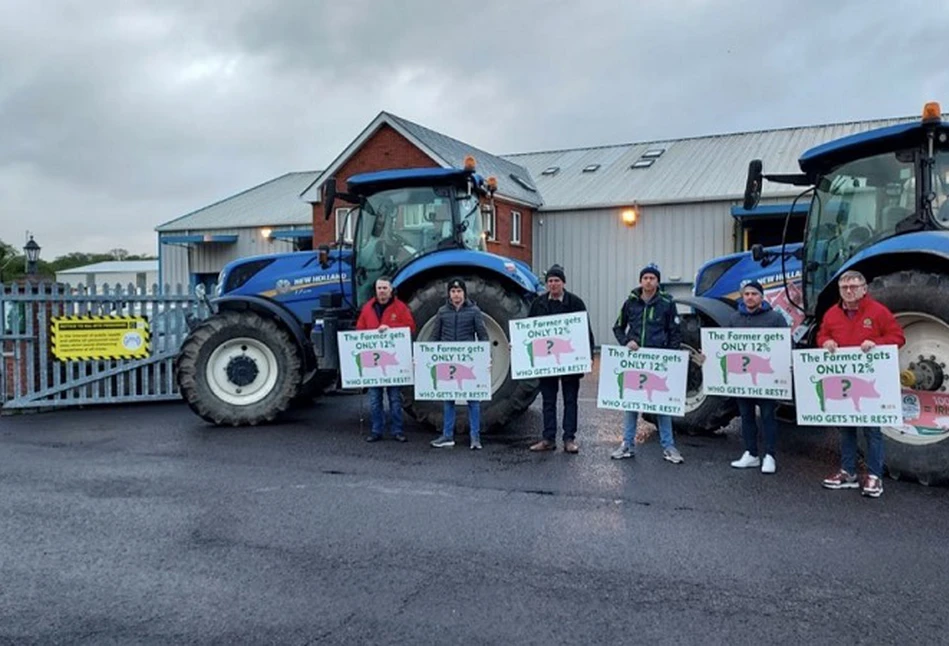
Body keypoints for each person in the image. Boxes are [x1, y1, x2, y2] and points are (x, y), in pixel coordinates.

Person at [818, 270, 905, 498]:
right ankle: (848, 472)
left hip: (867, 382)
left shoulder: (878, 312)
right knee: (846, 428)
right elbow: (822, 335)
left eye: (854, 286)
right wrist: (825, 341)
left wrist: (877, 342)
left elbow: (898, 337)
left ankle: (875, 476)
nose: (849, 291)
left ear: (864, 289)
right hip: (845, 383)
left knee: (872, 431)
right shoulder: (832, 314)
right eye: (844, 287)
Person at [610, 263, 684, 464]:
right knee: (631, 404)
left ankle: (669, 446)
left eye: (652, 278)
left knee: (662, 406)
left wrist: (669, 357)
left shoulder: (667, 303)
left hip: (657, 363)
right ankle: (627, 444)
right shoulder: (630, 303)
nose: (649, 281)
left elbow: (675, 332)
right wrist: (627, 342)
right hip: (635, 362)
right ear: (640, 281)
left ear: (658, 281)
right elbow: (618, 327)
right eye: (645, 278)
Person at [527, 264, 595, 454]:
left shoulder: (576, 303)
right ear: (547, 284)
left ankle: (569, 438)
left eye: (557, 280)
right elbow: (528, 331)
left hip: (569, 361)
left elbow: (585, 331)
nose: (553, 284)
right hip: (546, 363)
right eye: (550, 281)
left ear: (563, 282)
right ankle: (548, 438)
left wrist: (588, 355)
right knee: (548, 401)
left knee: (570, 400)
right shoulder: (538, 304)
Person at [726, 280, 790, 474]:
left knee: (768, 416)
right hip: (743, 379)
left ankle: (770, 455)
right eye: (746, 294)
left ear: (762, 297)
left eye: (754, 294)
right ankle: (751, 453)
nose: (750, 297)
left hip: (766, 379)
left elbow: (787, 344)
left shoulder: (775, 318)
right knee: (746, 416)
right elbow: (725, 344)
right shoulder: (734, 319)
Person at [429, 277, 490, 450]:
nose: (456, 294)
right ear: (449, 294)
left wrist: (487, 357)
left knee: (473, 400)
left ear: (464, 293)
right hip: (448, 362)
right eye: (453, 291)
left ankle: (475, 437)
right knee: (448, 399)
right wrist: (426, 357)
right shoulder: (442, 312)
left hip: (467, 361)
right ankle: (447, 435)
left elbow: (483, 336)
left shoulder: (474, 311)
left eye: (459, 291)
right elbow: (434, 338)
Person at [355, 276, 417, 443]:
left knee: (395, 399)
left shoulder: (400, 308)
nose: (382, 291)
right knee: (375, 399)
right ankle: (376, 431)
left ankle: (397, 431)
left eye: (384, 288)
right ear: (375, 290)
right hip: (375, 366)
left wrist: (390, 328)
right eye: (379, 288)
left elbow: (410, 327)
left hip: (392, 366)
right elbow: (360, 329)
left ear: (391, 290)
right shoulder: (368, 308)